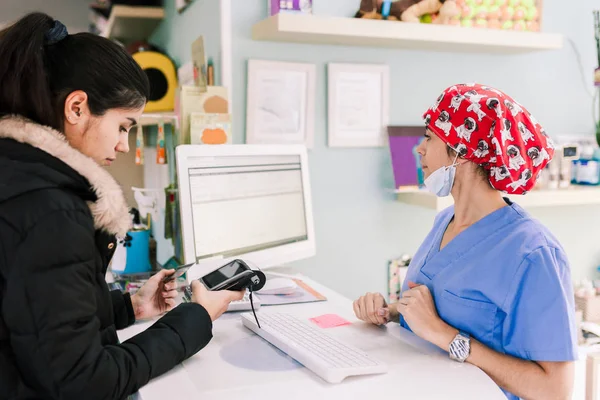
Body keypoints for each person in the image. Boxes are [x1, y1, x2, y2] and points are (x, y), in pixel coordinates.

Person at [0, 13, 244, 399]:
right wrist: (195, 318)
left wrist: (128, 306)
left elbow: (38, 317)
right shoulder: (51, 210)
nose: (124, 145)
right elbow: (85, 382)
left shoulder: (20, 178)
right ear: (77, 108)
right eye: (124, 126)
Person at [353, 83, 577, 400]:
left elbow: (556, 390)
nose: (419, 149)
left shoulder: (534, 252)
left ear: (462, 153)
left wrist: (445, 335)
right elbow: (439, 311)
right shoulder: (445, 222)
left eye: (429, 137)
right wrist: (389, 312)